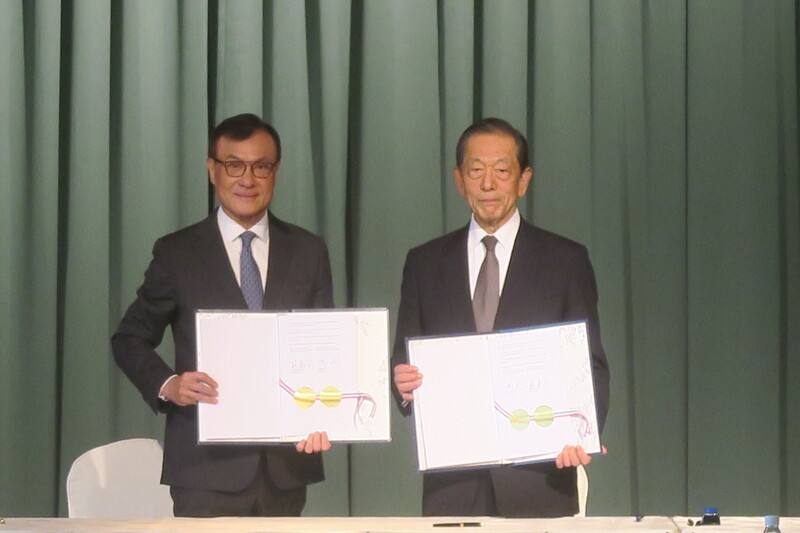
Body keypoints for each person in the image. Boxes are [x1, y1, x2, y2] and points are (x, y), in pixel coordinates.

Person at [112, 113, 332, 517]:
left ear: (275, 172)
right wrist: (170, 384)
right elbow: (129, 338)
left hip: (285, 467)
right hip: (203, 470)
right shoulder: (177, 253)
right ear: (212, 170)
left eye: (261, 166)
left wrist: (321, 415)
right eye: (234, 165)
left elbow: (323, 348)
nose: (247, 179)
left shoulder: (308, 251)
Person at [391, 117, 610, 518]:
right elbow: (402, 363)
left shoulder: (566, 260)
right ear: (460, 180)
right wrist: (401, 385)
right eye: (476, 171)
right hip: (452, 485)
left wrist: (582, 431)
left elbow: (590, 366)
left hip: (539, 482)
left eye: (502, 171)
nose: (488, 184)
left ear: (523, 180)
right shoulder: (424, 263)